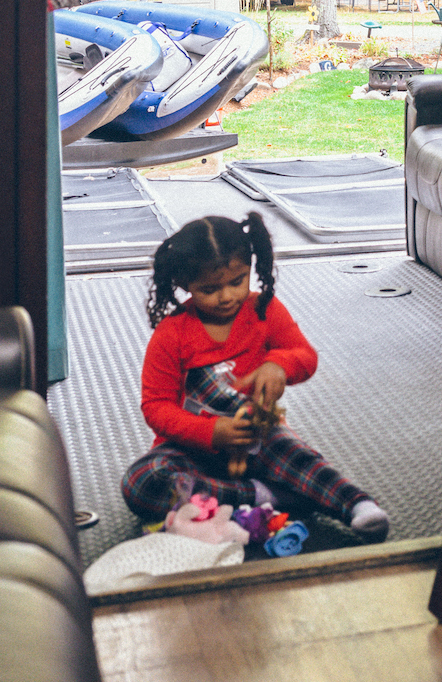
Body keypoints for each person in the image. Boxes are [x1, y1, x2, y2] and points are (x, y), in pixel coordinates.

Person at [120, 211, 390, 539]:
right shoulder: (172, 333)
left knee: (292, 451)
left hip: (257, 440)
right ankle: (270, 497)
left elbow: (305, 356)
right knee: (143, 482)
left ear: (251, 268)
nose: (227, 296)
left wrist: (278, 364)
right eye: (209, 289)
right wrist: (210, 432)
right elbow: (156, 406)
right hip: (190, 452)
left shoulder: (264, 309)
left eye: (237, 281)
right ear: (184, 284)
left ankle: (354, 504)